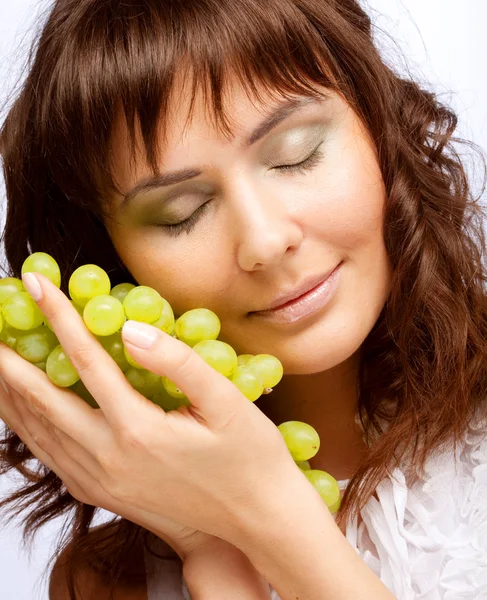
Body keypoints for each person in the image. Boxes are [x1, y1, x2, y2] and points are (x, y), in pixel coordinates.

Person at [0, 0, 486, 598]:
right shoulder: (107, 584)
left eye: (296, 154)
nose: (263, 240)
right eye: (181, 213)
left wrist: (272, 519)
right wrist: (216, 556)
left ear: (378, 124)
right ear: (112, 260)